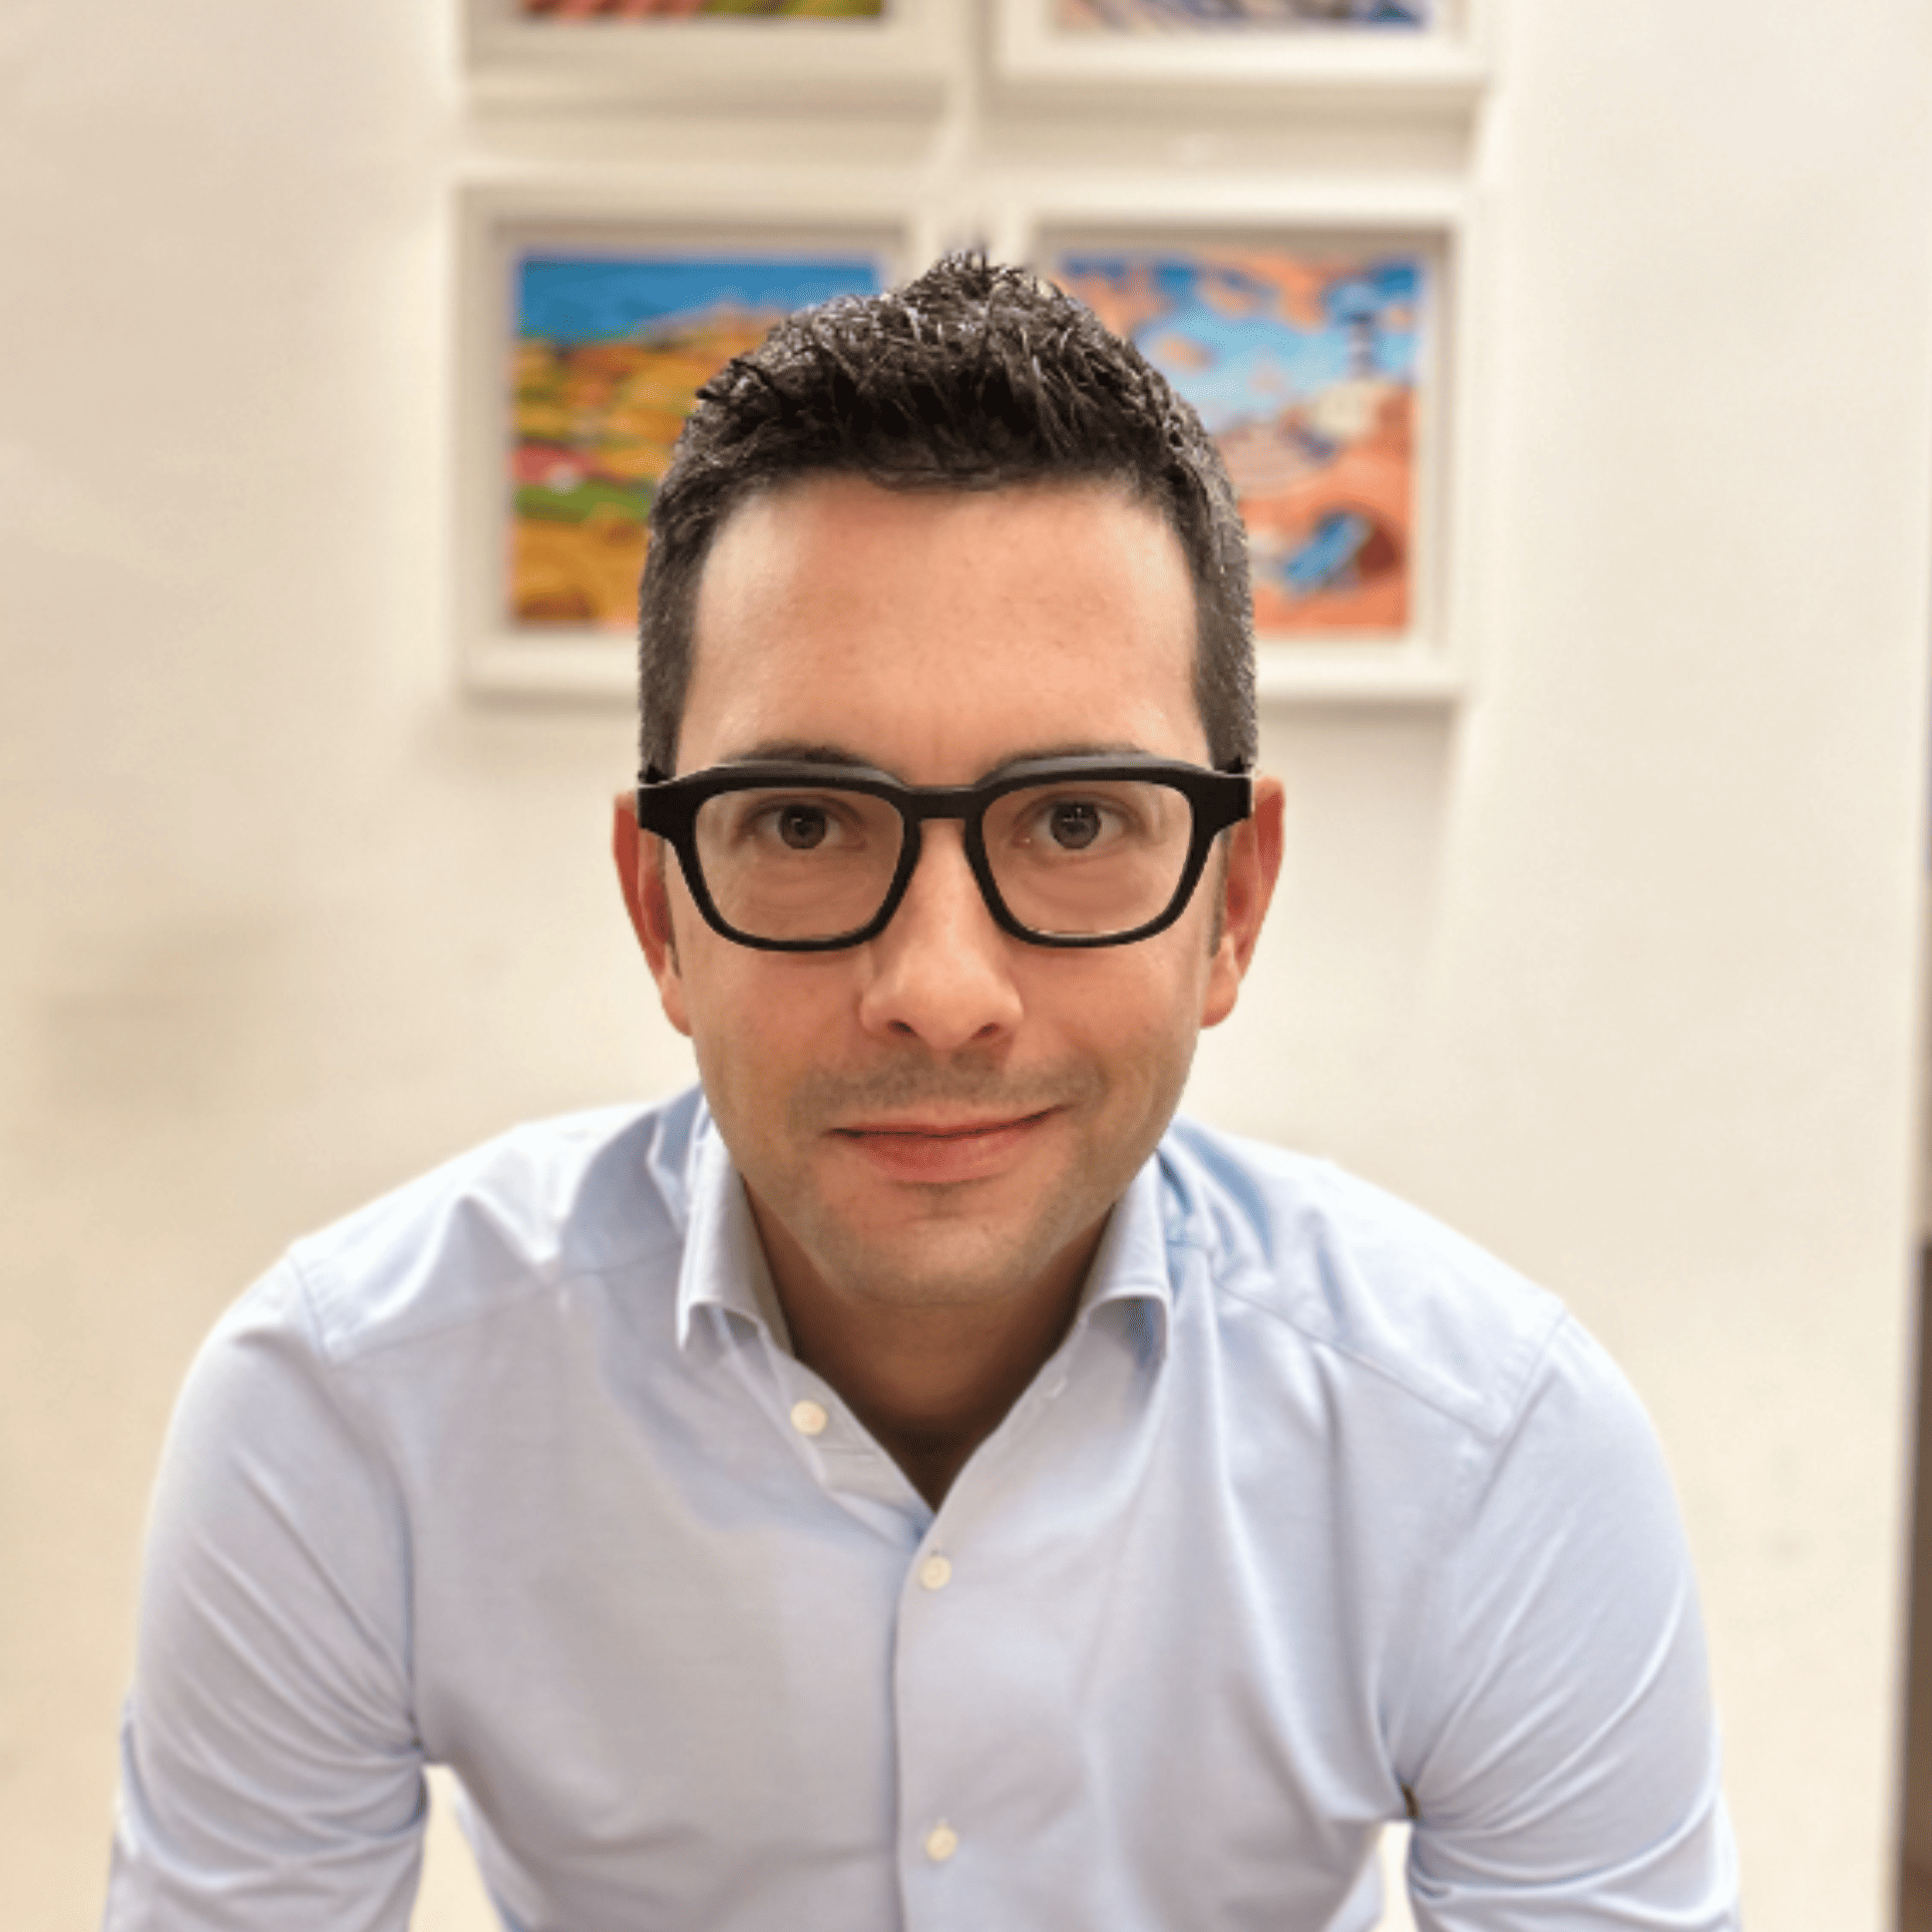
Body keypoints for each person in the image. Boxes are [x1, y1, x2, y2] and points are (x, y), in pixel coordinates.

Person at [105, 255, 1738, 1930]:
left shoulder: (1490, 1449)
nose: (941, 991)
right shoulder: (349, 1408)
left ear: (1233, 904)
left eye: (1077, 820)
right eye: (806, 823)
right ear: (660, 909)